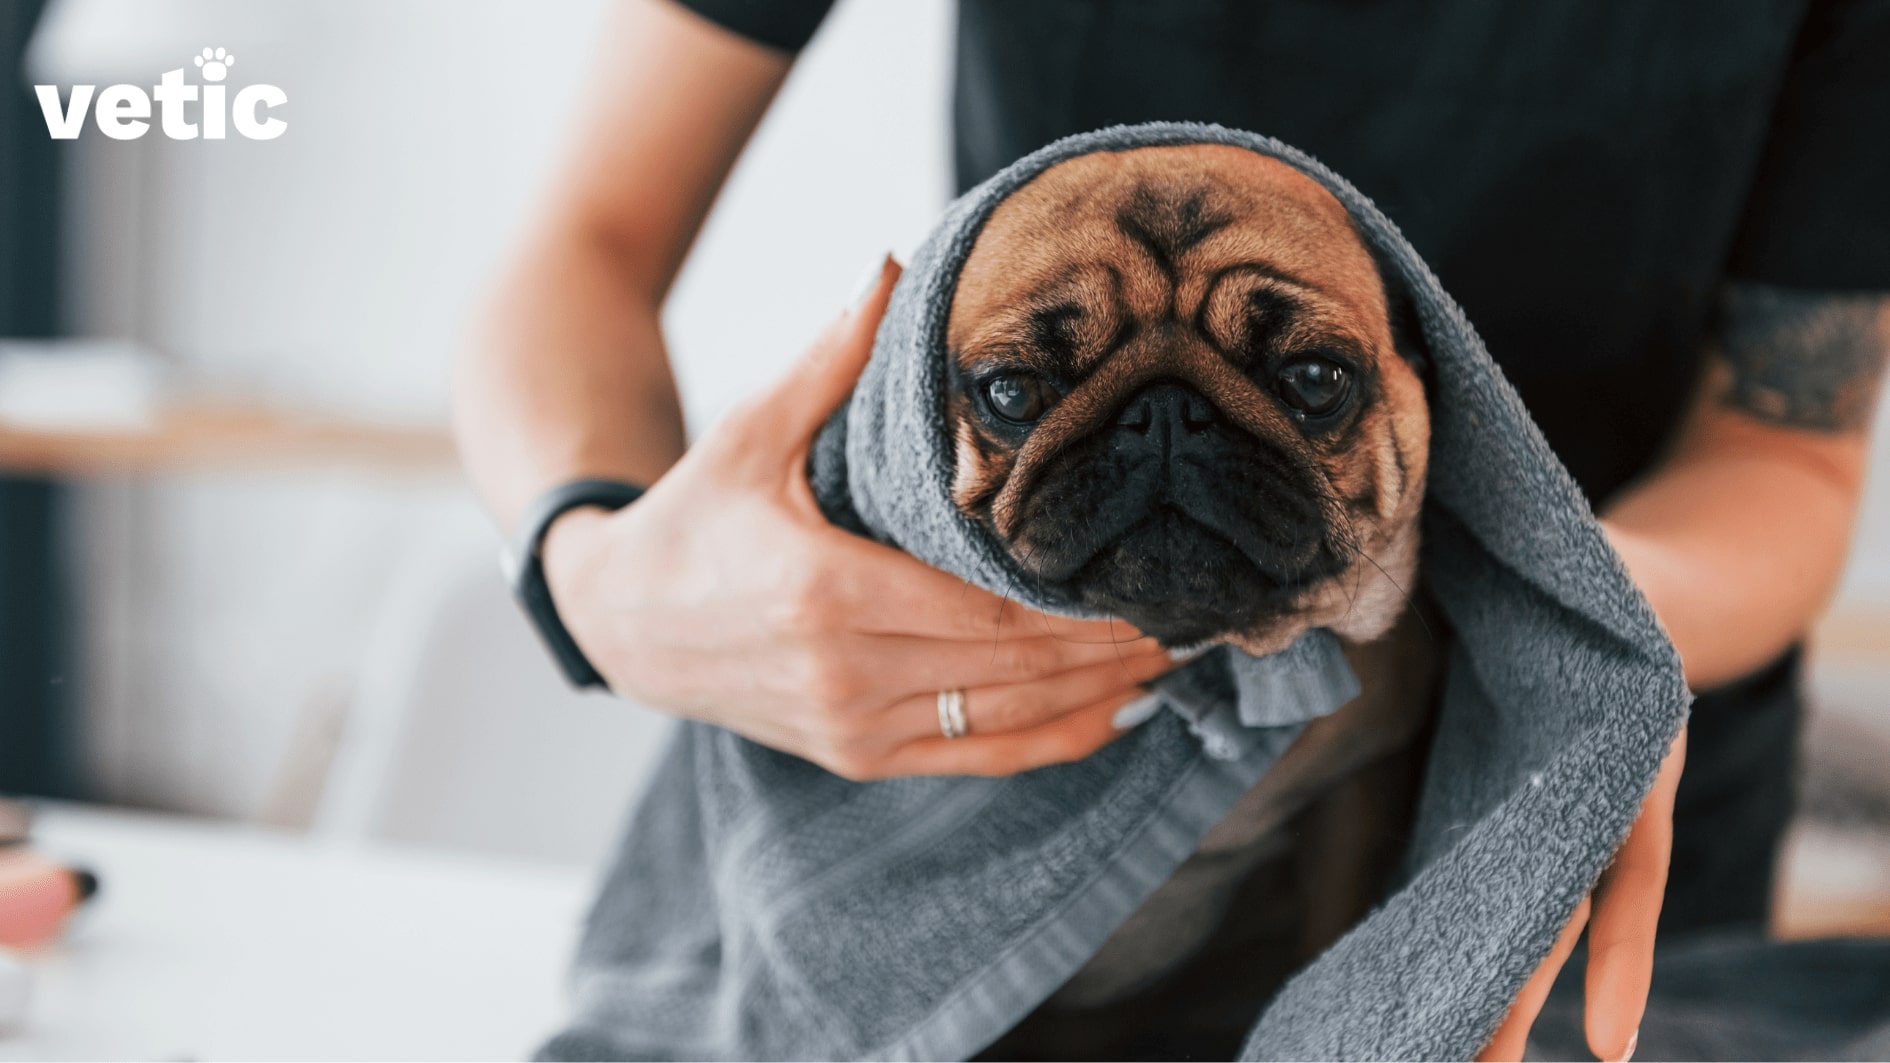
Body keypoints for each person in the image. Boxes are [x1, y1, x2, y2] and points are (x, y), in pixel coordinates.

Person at [452, 2, 1890, 1058]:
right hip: (944, 688)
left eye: (1306, 374)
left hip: (1541, 781)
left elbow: (1783, 446)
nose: (1165, 440)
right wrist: (600, 574)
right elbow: (585, 242)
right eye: (1029, 382)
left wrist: (1562, 631)